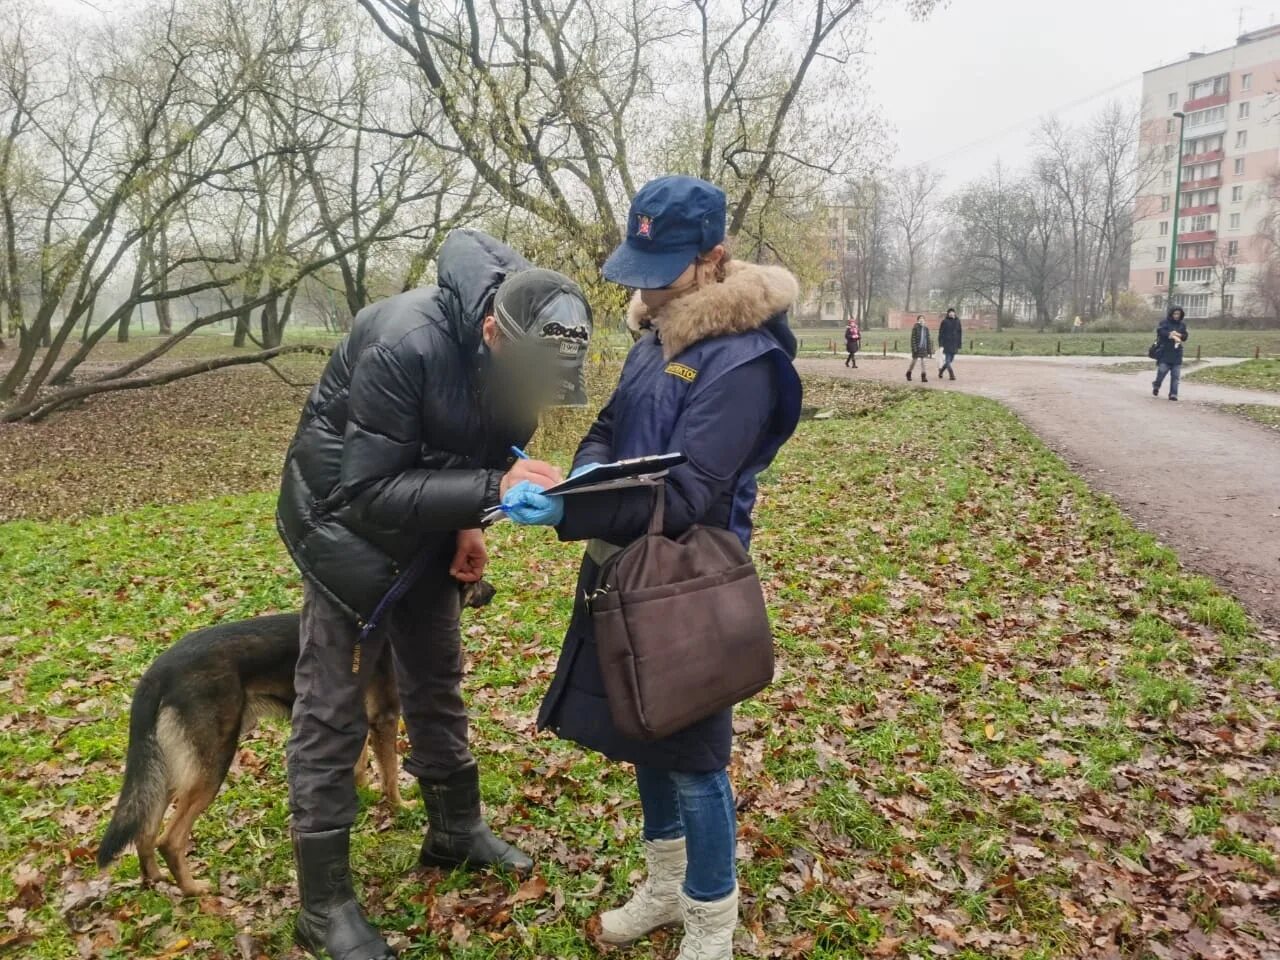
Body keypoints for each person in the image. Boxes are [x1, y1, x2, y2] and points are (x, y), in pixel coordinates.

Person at [502, 175, 802, 960]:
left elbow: (694, 491)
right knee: (644, 730)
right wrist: (578, 478)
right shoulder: (653, 334)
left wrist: (575, 510)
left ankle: (712, 916)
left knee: (696, 756)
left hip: (687, 584)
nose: (641, 283)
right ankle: (665, 885)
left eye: (660, 264)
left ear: (711, 258)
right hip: (622, 566)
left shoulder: (746, 359)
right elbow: (608, 426)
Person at [275, 229, 592, 960]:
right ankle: (322, 906)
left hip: (427, 526)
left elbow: (489, 452)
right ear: (490, 331)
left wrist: (469, 526)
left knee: (437, 677)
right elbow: (368, 486)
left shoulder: (523, 352)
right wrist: (490, 490)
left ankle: (454, 829)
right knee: (333, 708)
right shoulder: (401, 341)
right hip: (346, 530)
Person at [1153, 304, 1189, 401]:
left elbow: (1185, 337)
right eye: (1175, 313)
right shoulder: (1165, 322)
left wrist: (1179, 334)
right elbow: (1160, 332)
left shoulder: (1182, 324)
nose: (1177, 315)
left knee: (1176, 376)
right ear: (1171, 314)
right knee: (1162, 371)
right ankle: (1156, 385)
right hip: (1165, 351)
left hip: (1177, 352)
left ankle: (1173, 394)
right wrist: (1170, 334)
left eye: (1179, 314)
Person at [937, 307, 962, 381]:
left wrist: (959, 344)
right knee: (948, 360)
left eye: (952, 312)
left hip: (954, 344)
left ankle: (941, 371)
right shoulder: (944, 321)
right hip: (946, 344)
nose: (951, 313)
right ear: (948, 313)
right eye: (950, 312)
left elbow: (959, 333)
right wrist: (941, 345)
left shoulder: (958, 321)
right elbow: (941, 334)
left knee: (951, 360)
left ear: (954, 313)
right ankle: (951, 374)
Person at [906, 314, 932, 383]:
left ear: (924, 320)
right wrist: (914, 348)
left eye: (923, 318)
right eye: (920, 318)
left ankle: (923, 376)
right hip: (917, 348)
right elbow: (913, 339)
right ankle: (909, 373)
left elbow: (928, 339)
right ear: (918, 320)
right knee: (913, 362)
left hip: (924, 347)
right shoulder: (915, 327)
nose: (922, 319)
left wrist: (929, 349)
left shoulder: (926, 328)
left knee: (924, 362)